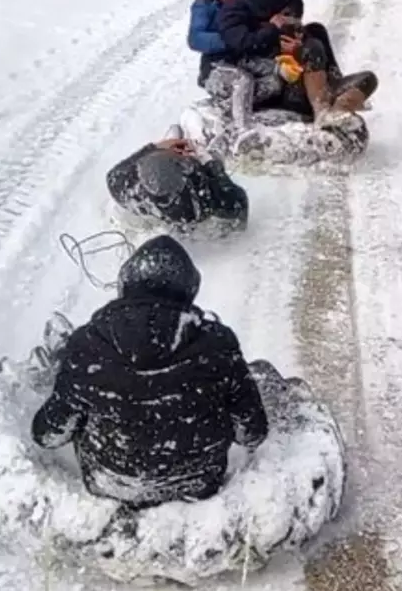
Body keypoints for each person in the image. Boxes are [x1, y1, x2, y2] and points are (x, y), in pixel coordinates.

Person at [31, 235, 269, 507]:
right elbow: (252, 433)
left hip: (109, 485)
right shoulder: (220, 346)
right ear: (189, 290)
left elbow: (48, 435)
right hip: (200, 487)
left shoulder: (86, 346)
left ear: (126, 286)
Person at [217, 0, 378, 125]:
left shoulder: (301, 32)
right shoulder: (240, 17)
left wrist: (297, 40)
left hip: (316, 83)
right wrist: (279, 41)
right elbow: (243, 46)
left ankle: (338, 109)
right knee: (312, 48)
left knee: (368, 78)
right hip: (288, 88)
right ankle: (322, 112)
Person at [106, 133, 248, 231]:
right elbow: (239, 203)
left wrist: (154, 148)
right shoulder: (208, 196)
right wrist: (213, 167)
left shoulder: (129, 190)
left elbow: (112, 177)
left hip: (161, 206)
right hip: (196, 205)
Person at [187, 0, 245, 87]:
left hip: (240, 61)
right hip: (214, 66)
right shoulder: (204, 5)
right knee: (242, 84)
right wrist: (230, 39)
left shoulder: (244, 1)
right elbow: (195, 38)